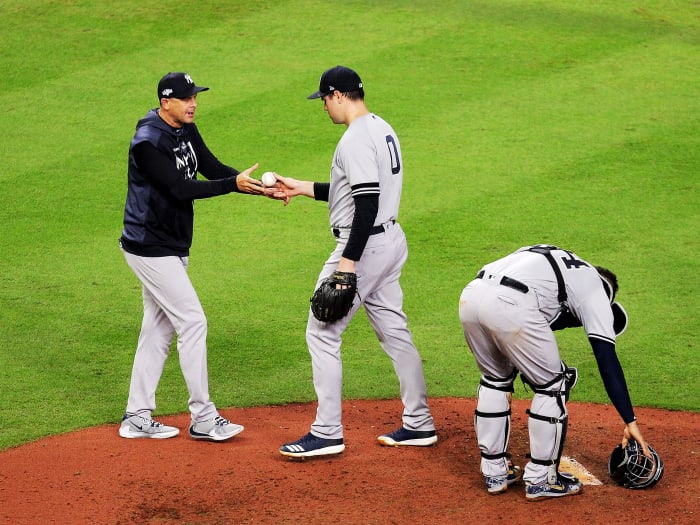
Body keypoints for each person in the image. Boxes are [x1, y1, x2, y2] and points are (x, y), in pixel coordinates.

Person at [274, 65, 437, 458]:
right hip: (390, 239)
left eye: (325, 99)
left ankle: (327, 431)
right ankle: (419, 423)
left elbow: (365, 203)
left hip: (364, 245)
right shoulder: (381, 127)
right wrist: (304, 188)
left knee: (322, 332)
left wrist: (348, 262)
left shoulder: (353, 140)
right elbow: (354, 189)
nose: (324, 107)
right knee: (395, 331)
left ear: (339, 95)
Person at [118, 72, 280, 441]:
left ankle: (136, 415)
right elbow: (179, 188)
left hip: (171, 244)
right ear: (166, 103)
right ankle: (203, 416)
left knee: (157, 329)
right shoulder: (147, 141)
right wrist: (231, 185)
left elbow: (211, 166)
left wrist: (256, 189)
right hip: (149, 246)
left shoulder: (183, 128)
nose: (193, 103)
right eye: (187, 98)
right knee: (192, 321)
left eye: (196, 97)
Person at [458, 244, 651, 500]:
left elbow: (540, 323)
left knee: (495, 380)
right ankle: (541, 480)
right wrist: (630, 420)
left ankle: (495, 473)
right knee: (553, 385)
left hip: (471, 296)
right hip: (512, 303)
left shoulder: (559, 265)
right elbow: (606, 358)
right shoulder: (596, 290)